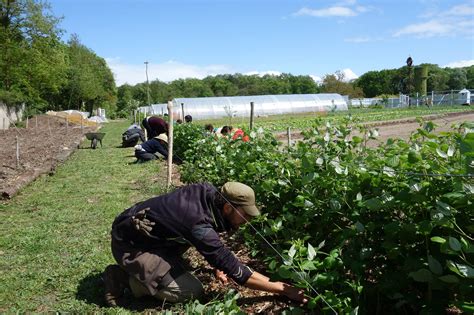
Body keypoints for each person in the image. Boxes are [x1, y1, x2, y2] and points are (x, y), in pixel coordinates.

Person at [103, 182, 307, 306]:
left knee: (197, 258)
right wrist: (284, 289)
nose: (248, 221)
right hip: (130, 246)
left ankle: (159, 266)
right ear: (228, 208)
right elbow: (239, 273)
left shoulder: (207, 194)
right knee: (191, 290)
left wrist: (218, 264)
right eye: (245, 215)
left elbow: (212, 249)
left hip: (146, 234)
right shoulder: (197, 224)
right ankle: (124, 280)